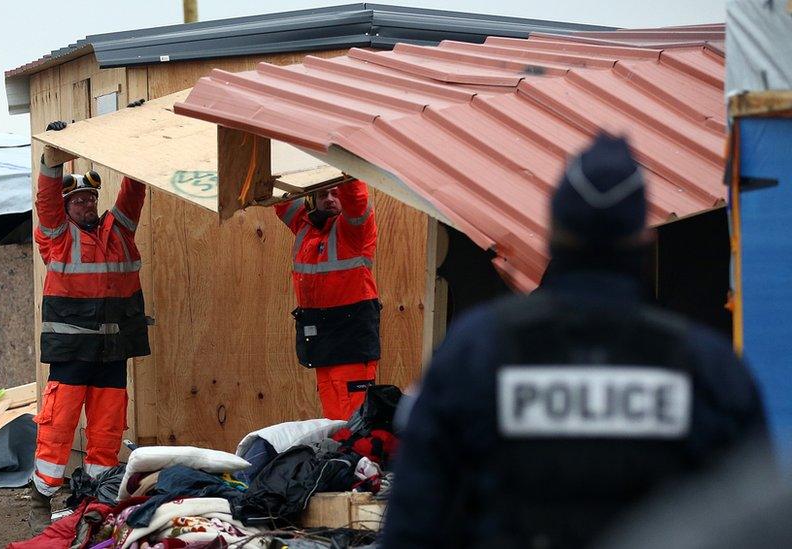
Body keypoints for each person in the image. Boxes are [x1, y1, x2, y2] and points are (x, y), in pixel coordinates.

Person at [381, 134, 769, 548]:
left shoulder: (474, 353)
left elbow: (413, 524)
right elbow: (757, 522)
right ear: (643, 238)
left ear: (553, 232)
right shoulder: (707, 368)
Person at [28, 121, 152, 532]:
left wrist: (137, 138)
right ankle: (44, 488)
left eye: (90, 198)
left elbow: (134, 193)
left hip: (112, 350)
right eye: (78, 200)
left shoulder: (118, 230)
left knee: (108, 422)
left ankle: (99, 488)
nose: (85, 205)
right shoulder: (56, 237)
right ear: (66, 207)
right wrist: (52, 159)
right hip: (71, 351)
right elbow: (46, 201)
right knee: (60, 419)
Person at [274, 179, 381, 420]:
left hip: (351, 337)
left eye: (335, 193)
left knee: (352, 418)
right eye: (323, 194)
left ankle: (352, 455)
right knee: (334, 417)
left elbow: (356, 198)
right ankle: (340, 455)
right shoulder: (305, 226)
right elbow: (283, 198)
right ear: (313, 198)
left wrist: (340, 164)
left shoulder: (354, 230)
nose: (330, 199)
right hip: (323, 338)